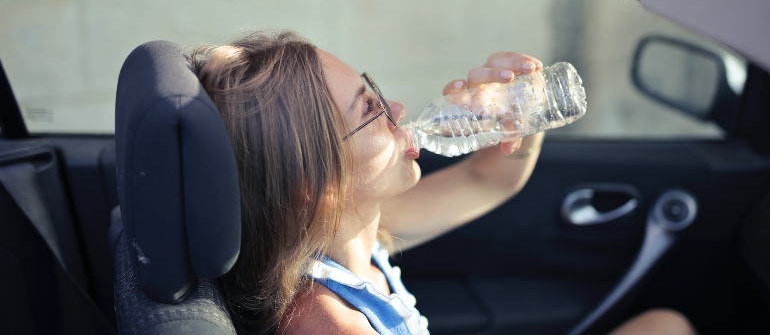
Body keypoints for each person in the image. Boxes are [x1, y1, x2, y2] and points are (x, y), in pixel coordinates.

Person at [191, 31, 696, 335]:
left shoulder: (344, 235)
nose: (400, 112)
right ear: (318, 183)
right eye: (371, 110)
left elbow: (487, 181)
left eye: (377, 93)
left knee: (666, 325)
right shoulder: (332, 324)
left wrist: (516, 117)